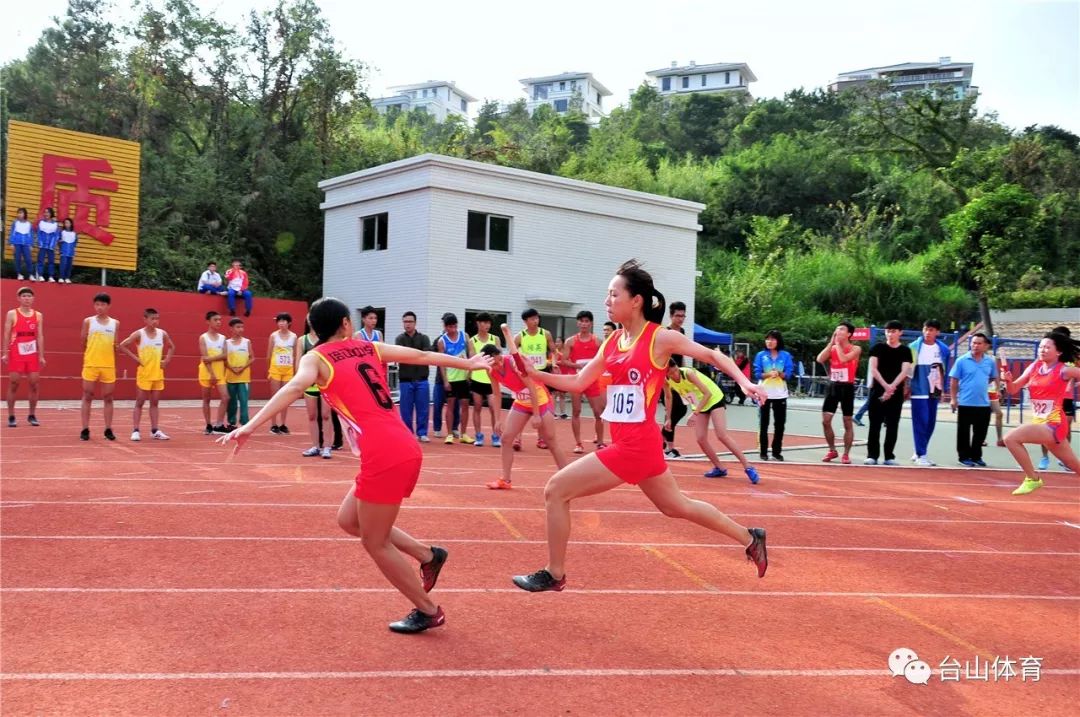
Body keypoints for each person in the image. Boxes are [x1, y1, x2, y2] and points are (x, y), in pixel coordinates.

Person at [219, 297, 493, 633]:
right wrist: (470, 364)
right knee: (349, 520)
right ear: (347, 324)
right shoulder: (367, 347)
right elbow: (422, 357)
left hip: (384, 453)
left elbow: (294, 386)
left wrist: (249, 425)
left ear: (313, 330)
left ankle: (428, 609)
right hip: (397, 445)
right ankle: (428, 555)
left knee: (374, 541)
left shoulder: (316, 357)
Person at [510, 259, 769, 593]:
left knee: (556, 490)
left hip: (633, 446)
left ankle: (555, 572)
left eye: (613, 294)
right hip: (637, 444)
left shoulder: (660, 338)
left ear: (636, 301)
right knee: (676, 507)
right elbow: (576, 382)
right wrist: (533, 375)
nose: (606, 301)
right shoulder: (613, 342)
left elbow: (714, 357)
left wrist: (745, 383)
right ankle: (750, 537)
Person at [1001, 332, 1080, 495]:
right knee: (1075, 466)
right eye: (1041, 346)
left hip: (1054, 424)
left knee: (1011, 438)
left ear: (1058, 352)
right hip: (1039, 422)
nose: (1042, 350)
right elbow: (1013, 389)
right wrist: (1008, 380)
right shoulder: (1034, 367)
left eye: (1047, 347)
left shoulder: (1064, 371)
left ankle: (1033, 479)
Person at [483, 344, 569, 490]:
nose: (497, 365)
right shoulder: (490, 370)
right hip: (522, 401)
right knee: (506, 439)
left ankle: (568, 478)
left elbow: (532, 388)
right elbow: (496, 394)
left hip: (540, 399)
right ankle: (506, 480)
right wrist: (497, 419)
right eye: (493, 364)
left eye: (498, 361)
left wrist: (536, 415)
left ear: (500, 355)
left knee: (550, 440)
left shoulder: (514, 363)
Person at [664, 359, 761, 483]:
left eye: (675, 369)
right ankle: (719, 468)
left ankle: (748, 466)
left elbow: (707, 393)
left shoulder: (688, 373)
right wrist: (668, 418)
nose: (674, 373)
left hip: (714, 399)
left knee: (721, 435)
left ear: (676, 366)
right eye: (670, 372)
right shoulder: (666, 379)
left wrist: (695, 413)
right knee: (701, 439)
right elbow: (668, 396)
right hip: (699, 404)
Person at [118, 308, 174, 441]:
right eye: (152, 318)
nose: (155, 321)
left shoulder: (162, 334)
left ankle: (155, 430)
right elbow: (122, 345)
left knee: (154, 403)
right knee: (140, 402)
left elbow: (172, 346)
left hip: (157, 374)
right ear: (145, 319)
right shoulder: (139, 334)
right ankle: (135, 430)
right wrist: (137, 359)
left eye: (157, 318)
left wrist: (166, 360)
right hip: (144, 374)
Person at [863, 321, 911, 466]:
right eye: (888, 331)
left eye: (894, 331)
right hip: (877, 390)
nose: (890, 334)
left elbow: (904, 371)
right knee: (875, 424)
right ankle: (872, 455)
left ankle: (889, 456)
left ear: (900, 333)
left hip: (895, 393)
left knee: (892, 424)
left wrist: (891, 387)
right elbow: (873, 369)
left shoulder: (905, 351)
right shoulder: (877, 348)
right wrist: (885, 386)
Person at [948, 332, 997, 467]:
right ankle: (963, 457)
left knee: (980, 432)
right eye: (973, 343)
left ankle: (976, 456)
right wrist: (953, 399)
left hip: (983, 403)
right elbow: (954, 380)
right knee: (963, 432)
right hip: (965, 402)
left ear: (985, 346)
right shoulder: (962, 360)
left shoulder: (990, 361)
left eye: (979, 343)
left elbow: (993, 377)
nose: (975, 346)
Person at [561, 310, 606, 454]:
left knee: (598, 413)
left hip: (592, 380)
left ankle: (600, 442)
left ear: (591, 323)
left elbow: (604, 359)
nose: (584, 324)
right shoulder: (570, 341)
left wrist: (593, 367)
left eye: (587, 321)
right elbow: (564, 360)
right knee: (576, 411)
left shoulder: (598, 341)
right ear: (578, 323)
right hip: (577, 380)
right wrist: (578, 366)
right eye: (581, 321)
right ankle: (578, 443)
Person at [817, 321, 862, 464]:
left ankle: (846, 454)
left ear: (849, 334)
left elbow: (843, 360)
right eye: (836, 329)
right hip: (833, 386)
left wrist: (838, 346)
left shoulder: (856, 348)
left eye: (842, 329)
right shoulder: (833, 347)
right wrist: (831, 344)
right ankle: (832, 450)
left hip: (847, 387)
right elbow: (820, 359)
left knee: (847, 421)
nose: (838, 331)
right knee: (825, 421)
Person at [909, 319, 951, 466]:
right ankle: (921, 455)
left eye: (932, 330)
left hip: (935, 391)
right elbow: (908, 370)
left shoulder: (943, 350)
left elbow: (943, 371)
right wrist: (907, 387)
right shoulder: (913, 347)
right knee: (921, 421)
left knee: (930, 423)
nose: (928, 332)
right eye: (926, 329)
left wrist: (944, 389)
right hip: (918, 389)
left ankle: (919, 450)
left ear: (937, 332)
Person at [3, 287, 45, 427]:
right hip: (16, 352)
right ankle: (11, 415)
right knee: (14, 383)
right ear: (19, 298)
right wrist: (5, 353)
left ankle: (32, 415)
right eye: (24, 296)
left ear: (33, 299)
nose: (27, 298)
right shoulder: (12, 314)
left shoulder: (38, 315)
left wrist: (41, 355)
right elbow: (6, 334)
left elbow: (40, 335)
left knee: (34, 383)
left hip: (32, 353)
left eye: (29, 296)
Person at [80, 293, 119, 441]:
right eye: (97, 304)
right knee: (87, 395)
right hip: (91, 364)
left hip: (108, 365)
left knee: (108, 397)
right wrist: (90, 356)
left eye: (103, 304)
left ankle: (108, 428)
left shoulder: (115, 323)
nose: (99, 307)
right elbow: (83, 342)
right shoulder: (88, 321)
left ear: (108, 306)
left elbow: (115, 345)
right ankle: (85, 428)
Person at [753, 329, 794, 461]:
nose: (769, 342)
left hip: (780, 394)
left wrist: (780, 374)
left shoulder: (785, 355)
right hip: (764, 393)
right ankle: (763, 451)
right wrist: (768, 374)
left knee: (780, 424)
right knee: (763, 423)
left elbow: (789, 373)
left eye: (773, 339)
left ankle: (777, 451)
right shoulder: (761, 355)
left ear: (778, 341)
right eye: (768, 339)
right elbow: (757, 372)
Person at [1038, 326, 1075, 471]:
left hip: (1067, 397)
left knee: (1066, 429)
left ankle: (1066, 459)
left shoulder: (1072, 358)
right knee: (1044, 428)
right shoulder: (1047, 356)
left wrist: (1072, 381)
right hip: (1049, 398)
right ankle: (1044, 457)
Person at [436, 313, 473, 444]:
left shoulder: (464, 336)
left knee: (465, 405)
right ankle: (450, 434)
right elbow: (441, 362)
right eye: (450, 327)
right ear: (445, 327)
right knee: (450, 405)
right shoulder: (442, 341)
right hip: (451, 378)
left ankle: (463, 434)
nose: (453, 329)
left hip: (464, 377)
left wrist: (470, 371)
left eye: (455, 326)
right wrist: (445, 380)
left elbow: (471, 353)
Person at [395, 311, 432, 442]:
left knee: (423, 408)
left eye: (410, 322)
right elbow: (400, 356)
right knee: (406, 409)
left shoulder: (423, 338)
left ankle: (422, 433)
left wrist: (411, 356)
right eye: (405, 322)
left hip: (422, 379)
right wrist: (416, 356)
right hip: (405, 380)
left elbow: (426, 355)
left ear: (415, 323)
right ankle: (407, 432)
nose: (407, 324)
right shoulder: (400, 339)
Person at [299, 320, 333, 458]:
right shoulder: (302, 340)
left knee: (326, 414)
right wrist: (300, 381)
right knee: (312, 415)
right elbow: (298, 361)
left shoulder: (327, 339)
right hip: (310, 383)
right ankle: (315, 446)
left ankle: (327, 447)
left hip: (325, 382)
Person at [468, 312, 501, 448]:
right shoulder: (472, 341)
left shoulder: (495, 339)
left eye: (488, 323)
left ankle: (496, 436)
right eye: (484, 322)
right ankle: (478, 435)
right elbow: (472, 357)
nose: (487, 325)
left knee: (494, 408)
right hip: (477, 378)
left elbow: (499, 358)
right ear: (478, 323)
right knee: (477, 407)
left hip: (492, 378)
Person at [660, 302, 688, 457]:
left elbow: (682, 354)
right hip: (665, 377)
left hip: (678, 377)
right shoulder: (665, 332)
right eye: (678, 315)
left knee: (679, 408)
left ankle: (664, 442)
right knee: (675, 408)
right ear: (671, 316)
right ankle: (668, 447)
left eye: (683, 315)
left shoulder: (682, 332)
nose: (681, 318)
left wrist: (684, 373)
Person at [198, 311, 230, 434]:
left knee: (225, 397)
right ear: (208, 321)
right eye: (215, 320)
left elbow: (225, 355)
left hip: (220, 372)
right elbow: (204, 358)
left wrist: (211, 358)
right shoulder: (203, 337)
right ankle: (208, 425)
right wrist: (211, 373)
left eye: (220, 320)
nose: (218, 322)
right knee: (207, 399)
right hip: (207, 372)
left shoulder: (223, 338)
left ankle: (219, 424)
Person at [266, 313, 297, 435]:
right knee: (275, 397)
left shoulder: (293, 337)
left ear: (289, 323)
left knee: (286, 397)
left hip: (288, 370)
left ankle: (283, 424)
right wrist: (269, 370)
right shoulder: (274, 336)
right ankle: (273, 424)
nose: (281, 323)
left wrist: (294, 371)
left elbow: (295, 355)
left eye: (284, 321)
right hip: (275, 369)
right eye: (279, 321)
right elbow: (268, 355)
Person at [225, 318, 253, 430]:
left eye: (242, 327)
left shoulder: (247, 342)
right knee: (231, 401)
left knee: (243, 401)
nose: (240, 329)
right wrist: (232, 368)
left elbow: (252, 357)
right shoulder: (226, 343)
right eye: (238, 327)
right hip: (230, 377)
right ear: (231, 328)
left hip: (243, 377)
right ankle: (231, 422)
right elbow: (224, 359)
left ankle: (245, 422)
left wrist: (242, 368)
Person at [8, 208, 35, 281]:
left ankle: (30, 274)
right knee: (17, 259)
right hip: (17, 243)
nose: (19, 214)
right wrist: (11, 243)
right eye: (18, 213)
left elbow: (31, 235)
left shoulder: (29, 224)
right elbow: (12, 233)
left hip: (26, 244)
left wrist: (31, 245)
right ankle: (19, 274)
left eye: (21, 213)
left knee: (28, 259)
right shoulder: (15, 223)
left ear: (25, 214)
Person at [35, 208, 59, 283]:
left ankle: (51, 276)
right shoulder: (41, 223)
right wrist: (40, 242)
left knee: (51, 261)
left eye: (48, 212)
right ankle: (40, 275)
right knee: (40, 260)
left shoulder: (55, 224)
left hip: (51, 246)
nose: (46, 214)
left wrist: (53, 244)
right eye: (45, 212)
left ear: (51, 214)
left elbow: (56, 235)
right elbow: (38, 233)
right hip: (42, 245)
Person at [552, 337, 568, 419]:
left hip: (564, 375)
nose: (557, 343)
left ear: (563, 343)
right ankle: (553, 413)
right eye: (556, 342)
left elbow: (568, 361)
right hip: (556, 375)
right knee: (554, 394)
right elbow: (553, 362)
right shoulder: (554, 352)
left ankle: (563, 413)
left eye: (559, 342)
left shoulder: (566, 352)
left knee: (562, 395)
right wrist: (558, 362)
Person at [58, 218, 77, 283]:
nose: (66, 224)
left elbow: (75, 242)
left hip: (71, 252)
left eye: (68, 223)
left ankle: (67, 278)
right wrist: (60, 249)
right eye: (65, 223)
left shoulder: (74, 233)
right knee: (63, 264)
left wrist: (73, 249)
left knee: (69, 265)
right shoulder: (62, 232)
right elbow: (59, 241)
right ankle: (61, 277)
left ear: (71, 224)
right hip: (64, 251)